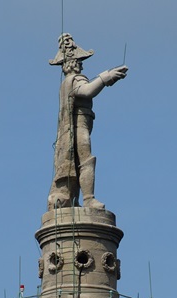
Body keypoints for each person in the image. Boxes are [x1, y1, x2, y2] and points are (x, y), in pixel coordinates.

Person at [47, 33, 128, 211]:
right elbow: (87, 91)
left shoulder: (66, 82)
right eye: (79, 60)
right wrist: (107, 77)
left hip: (78, 125)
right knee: (85, 160)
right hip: (79, 126)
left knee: (77, 162)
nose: (81, 63)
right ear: (74, 62)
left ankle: (75, 198)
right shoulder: (75, 80)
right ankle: (89, 199)